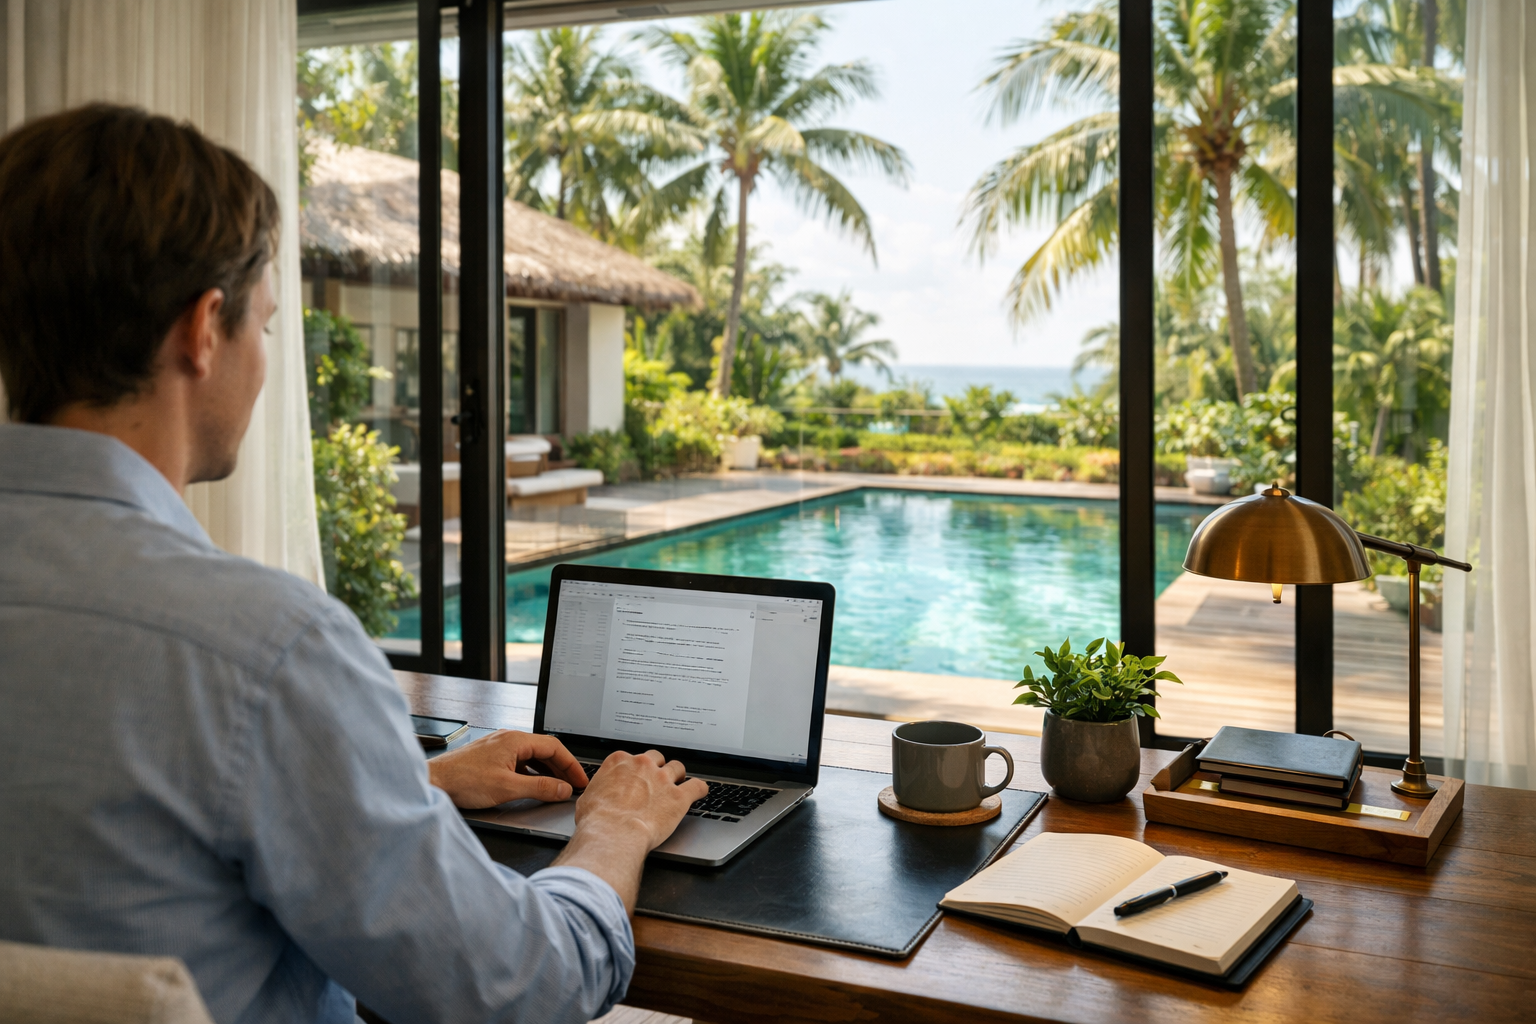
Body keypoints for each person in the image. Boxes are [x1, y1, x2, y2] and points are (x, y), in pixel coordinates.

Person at [0, 103, 708, 1024]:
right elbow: (523, 990)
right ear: (203, 330)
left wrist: (411, 785)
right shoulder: (262, 652)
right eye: (266, 325)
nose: (265, 363)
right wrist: (617, 825)